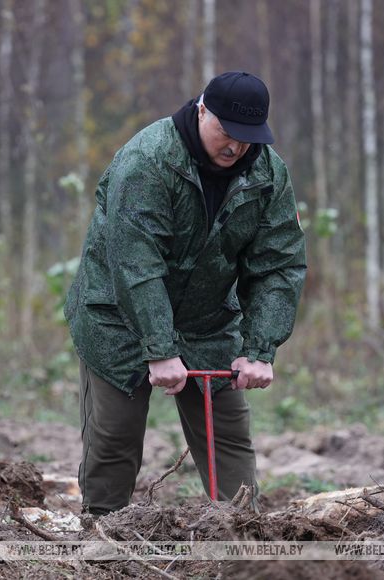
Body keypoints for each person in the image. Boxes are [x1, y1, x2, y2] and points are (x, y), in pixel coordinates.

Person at [65, 71, 306, 515]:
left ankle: (241, 536)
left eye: (248, 138)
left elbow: (278, 264)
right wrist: (158, 349)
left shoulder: (268, 173)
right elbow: (136, 264)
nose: (236, 147)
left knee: (228, 432)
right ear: (201, 111)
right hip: (117, 315)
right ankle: (101, 541)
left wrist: (260, 349)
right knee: (115, 435)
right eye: (227, 133)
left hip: (206, 318)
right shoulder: (147, 161)